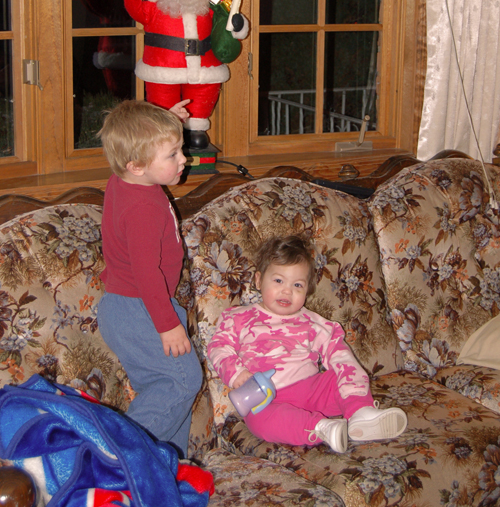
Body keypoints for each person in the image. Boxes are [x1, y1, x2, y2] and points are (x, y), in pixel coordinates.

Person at [207, 235, 407, 453]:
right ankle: (321, 428)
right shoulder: (239, 317)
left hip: (312, 391)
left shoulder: (312, 322)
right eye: (278, 281)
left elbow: (336, 351)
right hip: (267, 398)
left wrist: (349, 377)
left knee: (339, 375)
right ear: (258, 280)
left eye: (297, 285)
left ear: (306, 290)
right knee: (257, 419)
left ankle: (361, 415)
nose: (287, 291)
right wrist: (237, 374)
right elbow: (218, 347)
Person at [96, 100, 203, 456]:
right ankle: (113, 456)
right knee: (183, 379)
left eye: (179, 149)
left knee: (167, 387)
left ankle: (164, 468)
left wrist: (167, 121)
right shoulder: (142, 209)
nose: (183, 159)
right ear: (137, 166)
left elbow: (137, 144)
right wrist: (167, 323)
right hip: (139, 307)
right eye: (172, 154)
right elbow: (146, 274)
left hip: (131, 306)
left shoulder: (125, 180)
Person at [120, 0, 249, 149]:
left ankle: (196, 130)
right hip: (163, 70)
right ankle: (167, 136)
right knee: (164, 108)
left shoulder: (207, 3)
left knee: (201, 101)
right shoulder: (154, 6)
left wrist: (237, 25)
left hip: (205, 69)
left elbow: (224, 24)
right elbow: (134, 8)